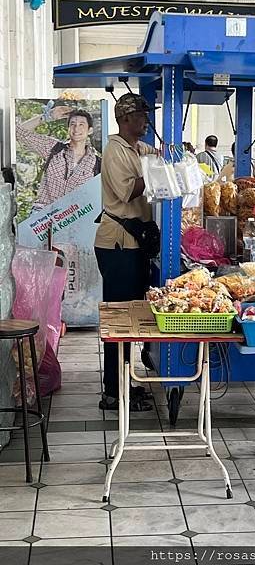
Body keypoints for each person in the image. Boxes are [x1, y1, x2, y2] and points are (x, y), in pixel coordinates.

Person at [94, 93, 157, 411]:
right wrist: (156, 177)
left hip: (135, 242)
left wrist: (175, 157)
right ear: (125, 119)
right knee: (120, 320)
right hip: (117, 244)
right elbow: (129, 190)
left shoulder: (137, 148)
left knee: (134, 317)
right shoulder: (114, 151)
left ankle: (126, 381)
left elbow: (156, 155)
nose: (146, 121)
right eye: (141, 116)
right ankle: (113, 391)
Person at [16, 106, 101, 209]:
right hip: (42, 217)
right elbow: (18, 133)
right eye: (72, 124)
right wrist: (46, 117)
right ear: (68, 129)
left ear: (90, 130)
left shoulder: (97, 163)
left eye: (81, 125)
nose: (76, 128)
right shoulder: (53, 148)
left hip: (73, 219)